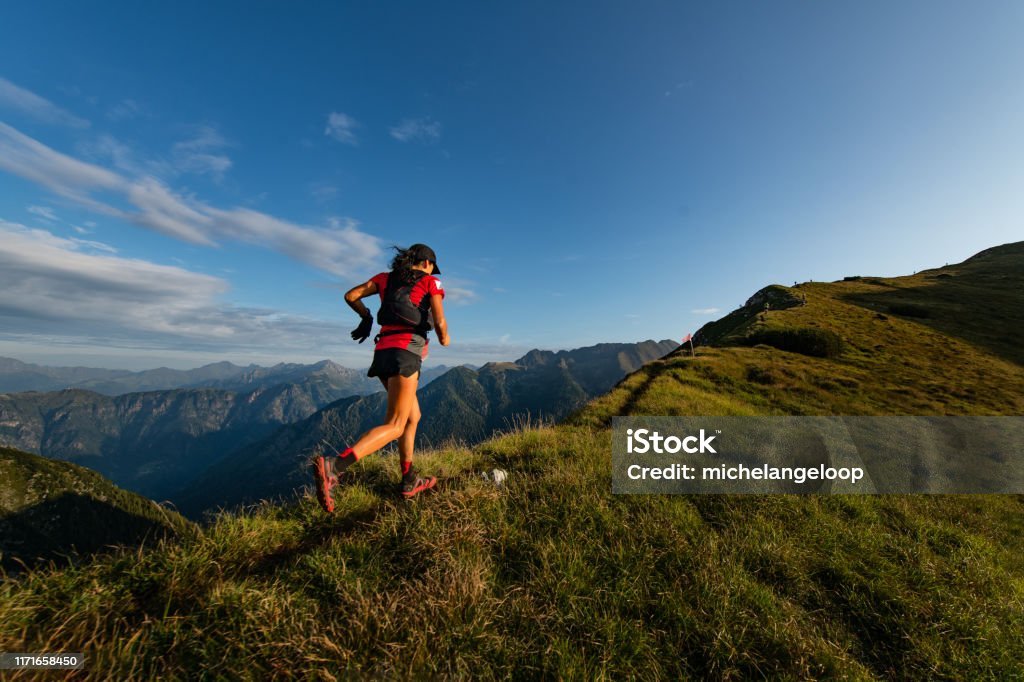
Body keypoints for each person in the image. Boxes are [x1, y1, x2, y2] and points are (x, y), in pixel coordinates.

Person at [311, 243, 450, 511]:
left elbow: (351, 295)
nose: (433, 270)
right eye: (432, 266)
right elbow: (440, 322)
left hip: (382, 352)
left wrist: (366, 316)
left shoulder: (384, 279)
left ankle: (409, 479)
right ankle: (334, 467)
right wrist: (444, 338)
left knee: (412, 416)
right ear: (426, 263)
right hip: (405, 353)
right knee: (396, 424)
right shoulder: (432, 282)